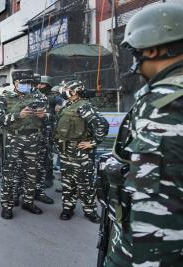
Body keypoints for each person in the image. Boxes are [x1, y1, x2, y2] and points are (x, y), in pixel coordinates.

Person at [105, 3, 183, 266]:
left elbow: (156, 202)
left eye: (137, 54)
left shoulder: (164, 101)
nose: (136, 64)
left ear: (152, 49)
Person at [0, 69, 47, 219]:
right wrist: (18, 115)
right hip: (13, 140)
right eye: (24, 83)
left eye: (29, 83)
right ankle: (7, 205)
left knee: (31, 173)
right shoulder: (5, 98)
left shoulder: (39, 97)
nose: (27, 85)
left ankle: (28, 202)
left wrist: (44, 117)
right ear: (15, 83)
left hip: (33, 139)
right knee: (11, 174)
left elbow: (48, 120)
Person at [53, 80, 108, 223]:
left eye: (66, 89)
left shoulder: (84, 106)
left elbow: (102, 124)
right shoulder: (68, 105)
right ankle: (67, 208)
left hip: (80, 153)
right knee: (67, 182)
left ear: (74, 91)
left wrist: (93, 143)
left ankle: (90, 211)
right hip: (66, 151)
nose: (63, 90)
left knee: (85, 184)